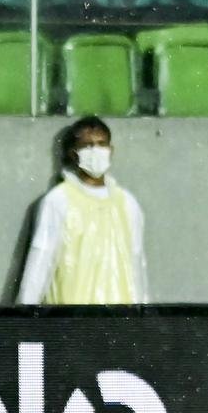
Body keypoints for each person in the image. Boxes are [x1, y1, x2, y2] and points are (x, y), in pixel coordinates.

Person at [18, 116, 149, 305]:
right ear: (73, 153)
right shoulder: (58, 201)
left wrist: (142, 319)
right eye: (87, 145)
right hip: (70, 322)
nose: (95, 151)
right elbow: (40, 263)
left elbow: (137, 266)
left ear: (111, 150)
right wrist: (25, 316)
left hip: (119, 322)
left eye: (101, 144)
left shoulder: (127, 204)